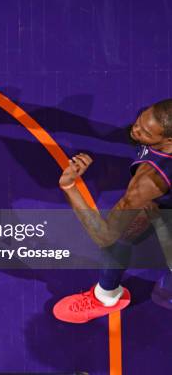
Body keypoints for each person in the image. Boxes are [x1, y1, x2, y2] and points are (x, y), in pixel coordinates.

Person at [54, 99, 172, 323]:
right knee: (128, 234)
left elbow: (106, 236)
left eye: (145, 132)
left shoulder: (150, 181)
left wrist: (69, 186)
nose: (136, 129)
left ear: (169, 140)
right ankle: (106, 296)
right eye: (139, 121)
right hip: (160, 203)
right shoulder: (157, 130)